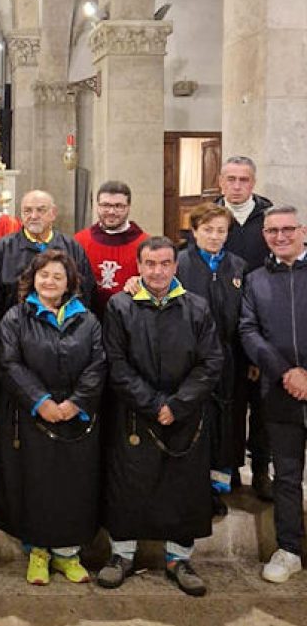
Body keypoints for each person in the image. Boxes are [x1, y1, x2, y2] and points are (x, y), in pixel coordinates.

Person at [97, 237, 223, 597]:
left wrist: (178, 404)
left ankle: (179, 558)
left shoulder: (196, 307)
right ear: (138, 266)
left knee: (183, 486)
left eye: (165, 264)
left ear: (175, 266)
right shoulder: (120, 307)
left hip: (185, 413)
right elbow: (115, 363)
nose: (157, 271)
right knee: (129, 484)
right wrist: (153, 404)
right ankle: (121, 555)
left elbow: (211, 361)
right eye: (150, 264)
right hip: (135, 412)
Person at [0, 250, 105, 586]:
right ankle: (38, 554)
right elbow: (9, 363)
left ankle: (68, 555)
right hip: (30, 413)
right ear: (32, 278)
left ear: (70, 281)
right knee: (36, 485)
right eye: (44, 275)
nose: (50, 281)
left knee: (73, 487)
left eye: (57, 276)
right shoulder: (15, 317)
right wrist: (40, 401)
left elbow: (99, 363)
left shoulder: (88, 319)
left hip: (76, 416)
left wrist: (76, 402)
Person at [239, 206, 307, 583]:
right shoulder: (256, 280)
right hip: (280, 390)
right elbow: (249, 331)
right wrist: (287, 372)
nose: (279, 237)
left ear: (302, 230)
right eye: (271, 231)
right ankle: (290, 549)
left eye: (287, 229)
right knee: (286, 475)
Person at [176, 203, 246, 517]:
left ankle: (218, 482)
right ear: (194, 231)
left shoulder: (237, 266)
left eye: (221, 230)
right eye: (208, 230)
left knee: (226, 416)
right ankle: (193, 483)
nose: (215, 236)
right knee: (196, 417)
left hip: (228, 355)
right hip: (190, 358)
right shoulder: (180, 263)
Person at [217, 156, 274, 501]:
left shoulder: (267, 218)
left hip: (262, 325)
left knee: (263, 404)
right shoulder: (210, 218)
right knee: (230, 403)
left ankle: (262, 470)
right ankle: (231, 468)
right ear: (220, 181)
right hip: (224, 328)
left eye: (244, 179)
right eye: (231, 179)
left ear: (253, 183)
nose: (237, 186)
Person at [0, 190, 95, 338]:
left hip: (64, 336)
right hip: (14, 337)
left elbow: (85, 293)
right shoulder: (4, 248)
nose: (33, 216)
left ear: (53, 213)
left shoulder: (71, 247)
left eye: (41, 210)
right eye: (27, 211)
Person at [74, 180, 148, 316]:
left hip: (130, 318)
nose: (111, 211)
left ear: (129, 207)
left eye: (119, 206)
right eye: (105, 205)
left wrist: (143, 282)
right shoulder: (80, 241)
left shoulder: (145, 244)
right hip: (87, 317)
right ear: (97, 206)